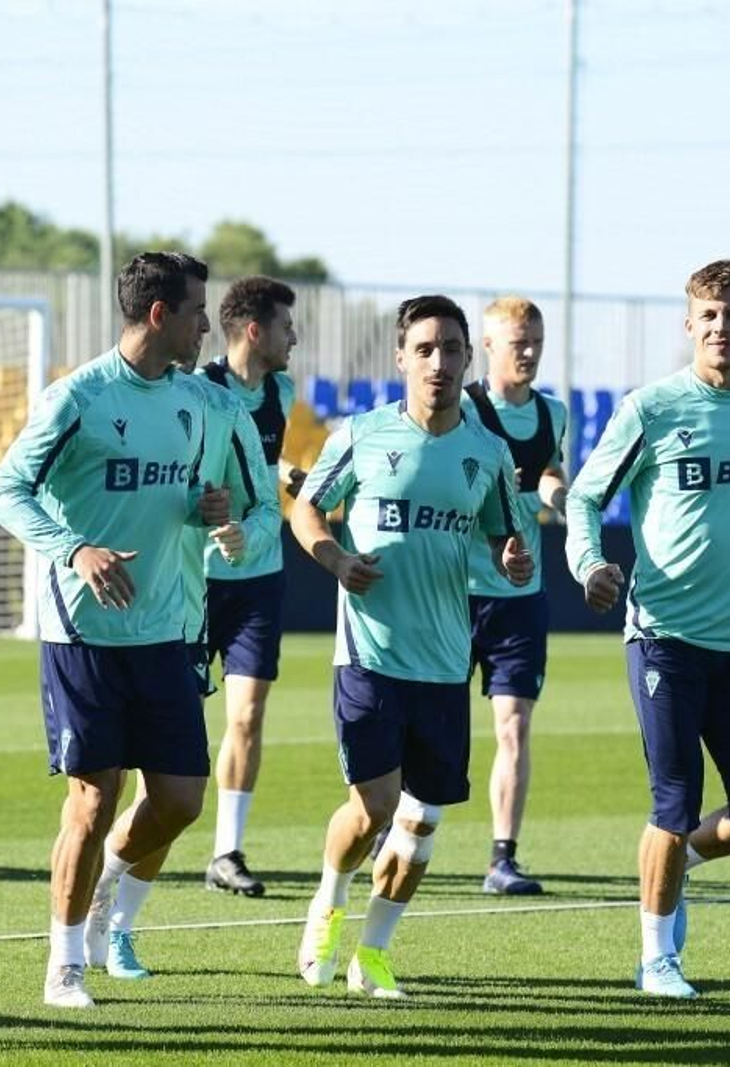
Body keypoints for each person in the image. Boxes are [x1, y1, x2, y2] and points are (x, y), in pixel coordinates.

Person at [0, 251, 230, 1009]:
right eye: (196, 312)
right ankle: (65, 963)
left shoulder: (194, 401)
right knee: (92, 801)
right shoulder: (79, 398)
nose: (205, 326)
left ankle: (108, 886)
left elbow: (173, 496)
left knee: (183, 800)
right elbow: (3, 490)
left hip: (162, 630)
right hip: (82, 633)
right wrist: (74, 548)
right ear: (159, 314)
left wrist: (203, 510)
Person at [565, 259, 730, 1000]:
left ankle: (674, 872)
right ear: (689, 325)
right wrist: (589, 565)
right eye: (707, 315)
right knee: (672, 801)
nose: (721, 328)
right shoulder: (653, 407)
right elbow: (584, 496)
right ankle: (657, 958)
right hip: (664, 635)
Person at [292, 295, 531, 1000]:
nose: (438, 361)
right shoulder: (361, 434)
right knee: (374, 807)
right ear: (401, 358)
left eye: (451, 348)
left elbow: (507, 536)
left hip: (444, 659)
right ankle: (328, 904)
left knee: (422, 820)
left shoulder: (488, 452)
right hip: (369, 652)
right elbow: (307, 505)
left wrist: (513, 558)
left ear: (467, 358)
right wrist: (335, 559)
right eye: (424, 348)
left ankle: (375, 952)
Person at [81, 336, 279, 981]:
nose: (200, 330)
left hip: (182, 619)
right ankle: (89, 924)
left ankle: (118, 921)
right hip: (119, 620)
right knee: (109, 790)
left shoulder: (226, 408)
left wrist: (236, 528)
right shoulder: (114, 399)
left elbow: (266, 505)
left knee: (171, 794)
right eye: (196, 314)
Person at [200, 275, 305, 897]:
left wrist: (292, 476)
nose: (296, 337)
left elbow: (263, 464)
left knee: (247, 716)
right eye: (288, 326)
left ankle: (226, 852)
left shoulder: (283, 391)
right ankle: (140, 844)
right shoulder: (200, 389)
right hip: (194, 580)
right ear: (254, 330)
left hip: (259, 577)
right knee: (175, 727)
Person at [463, 297, 569, 895]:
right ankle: (397, 830)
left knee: (514, 727)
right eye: (516, 343)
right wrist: (533, 501)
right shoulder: (468, 411)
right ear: (489, 346)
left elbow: (548, 468)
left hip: (520, 595)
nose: (527, 352)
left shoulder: (553, 412)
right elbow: (466, 492)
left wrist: (556, 494)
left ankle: (503, 857)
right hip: (456, 590)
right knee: (433, 728)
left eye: (535, 342)